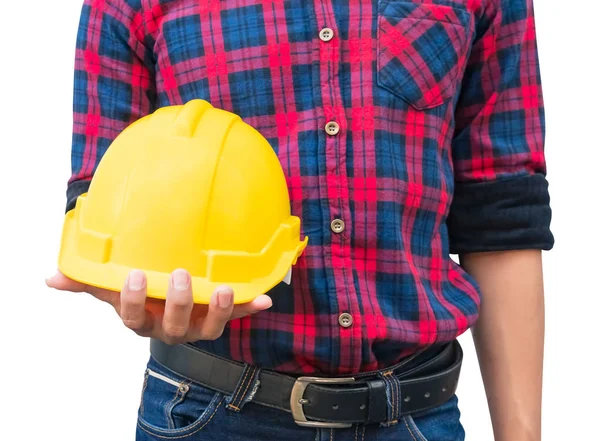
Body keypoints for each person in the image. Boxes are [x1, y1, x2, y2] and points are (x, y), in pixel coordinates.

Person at [46, 0, 553, 440]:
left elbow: (501, 210)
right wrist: (131, 294)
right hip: (207, 415)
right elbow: (102, 199)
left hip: (417, 418)